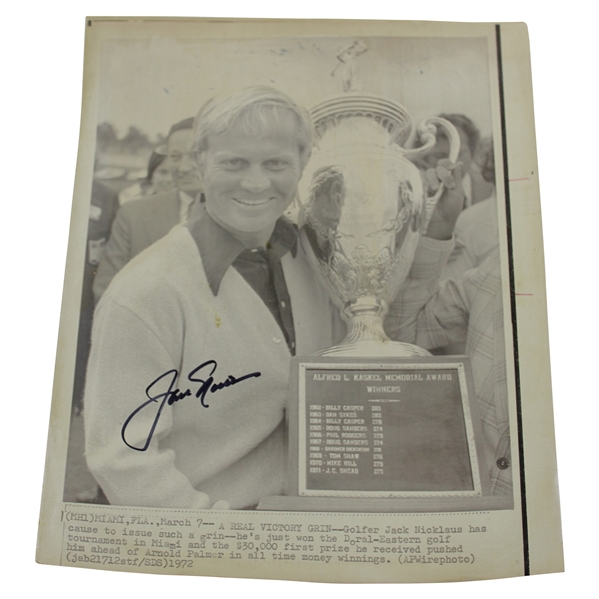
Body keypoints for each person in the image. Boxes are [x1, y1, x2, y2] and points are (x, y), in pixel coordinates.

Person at [84, 86, 464, 510]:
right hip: (216, 551)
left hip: (314, 530)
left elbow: (376, 340)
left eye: (276, 163)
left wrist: (436, 233)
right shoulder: (146, 293)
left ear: (303, 164)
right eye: (234, 162)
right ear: (199, 163)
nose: (255, 181)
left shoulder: (314, 260)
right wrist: (240, 545)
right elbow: (124, 462)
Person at [92, 117, 202, 302]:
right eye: (175, 157)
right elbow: (108, 291)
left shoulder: (248, 214)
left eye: (195, 155)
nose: (183, 167)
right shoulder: (133, 214)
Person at [421, 113, 494, 208]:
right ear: (425, 159)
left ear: (473, 152)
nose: (450, 162)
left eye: (459, 153)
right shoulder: (420, 195)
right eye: (439, 155)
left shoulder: (492, 188)